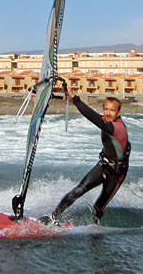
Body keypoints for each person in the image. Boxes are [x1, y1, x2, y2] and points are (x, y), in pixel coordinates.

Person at [41, 85, 130, 226]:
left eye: (112, 110)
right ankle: (53, 217)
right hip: (103, 166)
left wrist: (75, 98)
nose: (108, 113)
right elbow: (93, 113)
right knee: (78, 190)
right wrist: (67, 97)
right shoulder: (108, 121)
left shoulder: (115, 127)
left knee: (98, 208)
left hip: (117, 174)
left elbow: (92, 117)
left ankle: (95, 231)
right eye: (106, 109)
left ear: (118, 113)